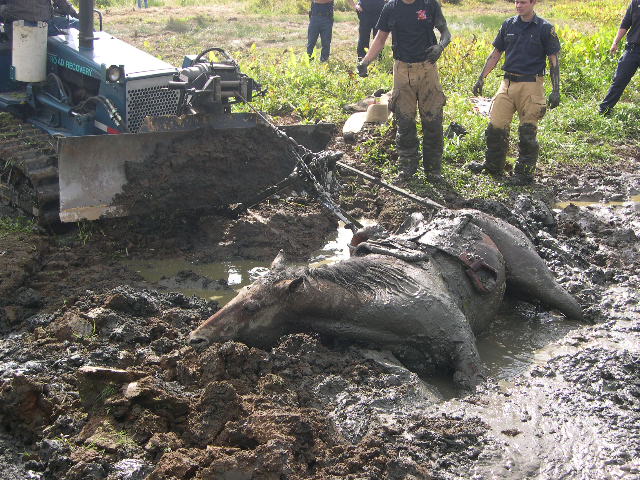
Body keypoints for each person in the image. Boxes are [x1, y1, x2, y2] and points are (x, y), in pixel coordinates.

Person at [357, 0, 451, 184]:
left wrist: (441, 46)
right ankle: (407, 168)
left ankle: (434, 171)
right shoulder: (391, 7)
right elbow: (380, 38)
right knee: (404, 121)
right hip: (401, 70)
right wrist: (365, 61)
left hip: (427, 69)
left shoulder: (430, 4)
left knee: (432, 121)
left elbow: (445, 33)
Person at [468, 0, 560, 186]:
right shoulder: (508, 24)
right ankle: (493, 166)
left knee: (527, 131)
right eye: (516, 1)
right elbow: (496, 53)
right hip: (507, 83)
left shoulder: (545, 28)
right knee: (496, 126)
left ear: (533, 3)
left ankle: (524, 175)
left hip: (531, 85)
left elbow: (553, 60)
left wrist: (556, 90)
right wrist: (481, 77)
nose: (518, 5)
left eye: (523, 2)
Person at [599, 0, 640, 116]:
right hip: (633, 48)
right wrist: (615, 42)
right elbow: (626, 23)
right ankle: (605, 110)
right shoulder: (635, 2)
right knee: (619, 79)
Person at [0, 0, 77, 22]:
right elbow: (61, 3)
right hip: (42, 22)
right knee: (76, 24)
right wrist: (75, 14)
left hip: (15, 22)